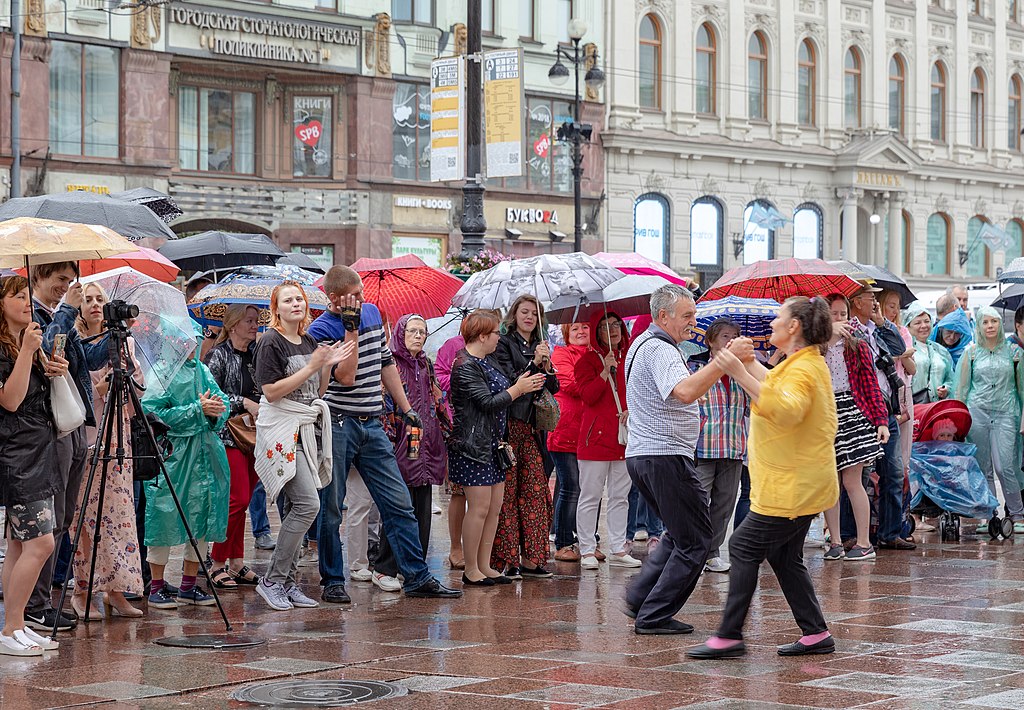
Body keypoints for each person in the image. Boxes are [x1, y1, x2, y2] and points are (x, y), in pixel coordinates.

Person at [688, 297, 839, 659]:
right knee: (785, 558)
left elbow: (785, 409)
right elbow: (775, 386)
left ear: (794, 327)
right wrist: (749, 362)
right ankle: (816, 633)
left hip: (792, 488)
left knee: (742, 547)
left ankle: (729, 635)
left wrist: (737, 370)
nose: (772, 324)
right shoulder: (800, 364)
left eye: (779, 318)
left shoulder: (805, 368)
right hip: (796, 485)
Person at [309, 265, 460, 602]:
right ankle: (333, 579)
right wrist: (350, 329)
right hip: (338, 422)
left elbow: (385, 363)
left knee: (399, 502)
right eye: (354, 296)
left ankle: (416, 575)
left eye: (362, 293)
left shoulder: (373, 313)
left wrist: (406, 409)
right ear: (334, 298)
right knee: (332, 508)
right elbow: (345, 378)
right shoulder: (319, 329)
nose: (361, 300)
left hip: (372, 421)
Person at [622, 285, 731, 635]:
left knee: (679, 533)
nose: (693, 322)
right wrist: (721, 364)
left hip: (647, 455)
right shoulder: (661, 350)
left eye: (694, 315)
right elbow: (684, 392)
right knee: (697, 539)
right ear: (663, 316)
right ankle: (653, 614)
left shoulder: (642, 344)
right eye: (687, 316)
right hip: (664, 456)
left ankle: (641, 598)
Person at [254, 282, 351, 611]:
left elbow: (317, 392)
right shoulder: (270, 341)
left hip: (307, 432)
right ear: (276, 308)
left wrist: (324, 366)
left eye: (299, 298)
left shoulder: (309, 340)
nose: (295, 303)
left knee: (301, 508)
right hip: (282, 431)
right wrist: (311, 366)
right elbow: (270, 391)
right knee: (309, 505)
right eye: (288, 300)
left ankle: (289, 582)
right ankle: (272, 579)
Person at [27, 262, 109, 632]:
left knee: (63, 517)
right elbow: (46, 353)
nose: (66, 287)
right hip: (47, 426)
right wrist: (67, 312)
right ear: (38, 277)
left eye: (69, 281)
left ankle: (41, 600)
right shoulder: (31, 314)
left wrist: (115, 334)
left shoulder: (58, 314)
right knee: (49, 517)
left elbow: (84, 360)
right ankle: (35, 602)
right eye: (60, 280)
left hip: (74, 421)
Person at [449, 310, 546, 586]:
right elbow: (488, 402)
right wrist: (519, 390)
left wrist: (534, 367)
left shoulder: (487, 360)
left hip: (494, 445)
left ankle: (484, 565)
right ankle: (471, 570)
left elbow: (511, 383)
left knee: (494, 507)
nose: (498, 338)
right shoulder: (464, 365)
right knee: (478, 508)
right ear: (481, 336)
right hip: (472, 446)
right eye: (495, 333)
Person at [141, 327, 231, 610]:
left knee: (203, 515)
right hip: (173, 455)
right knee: (163, 515)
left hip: (206, 451)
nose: (191, 344)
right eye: (185, 340)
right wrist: (196, 409)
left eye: (194, 339)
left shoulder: (202, 370)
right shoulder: (161, 373)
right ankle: (156, 587)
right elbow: (152, 412)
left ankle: (189, 586)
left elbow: (222, 400)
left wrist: (216, 410)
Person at [0, 274, 67, 655]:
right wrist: (27, 352)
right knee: (40, 543)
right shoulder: (8, 346)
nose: (28, 302)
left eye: (28, 295)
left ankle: (17, 623)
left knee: (18, 546)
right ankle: (9, 629)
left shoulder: (27, 340)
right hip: (17, 454)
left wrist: (50, 365)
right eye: (18, 296)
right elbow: (10, 399)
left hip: (37, 449)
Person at [71, 282, 144, 618]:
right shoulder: (73, 343)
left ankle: (116, 590)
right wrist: (99, 389)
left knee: (118, 515)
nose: (96, 304)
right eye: (88, 299)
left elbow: (140, 389)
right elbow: (68, 392)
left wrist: (126, 374)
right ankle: (82, 590)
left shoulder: (121, 340)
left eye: (101, 299)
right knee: (85, 518)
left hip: (118, 434)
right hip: (86, 435)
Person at [372, 315, 448, 585]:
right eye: (412, 331)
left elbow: (438, 400)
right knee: (397, 507)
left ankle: (414, 568)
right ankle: (385, 567)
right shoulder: (390, 363)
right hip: (401, 442)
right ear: (400, 333)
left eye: (422, 331)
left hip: (426, 444)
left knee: (422, 508)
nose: (418, 335)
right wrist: (391, 442)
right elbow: (384, 404)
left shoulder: (426, 364)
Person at [493, 295, 560, 579]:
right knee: (508, 494)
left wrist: (546, 365)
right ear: (515, 315)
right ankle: (509, 560)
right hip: (509, 425)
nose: (529, 317)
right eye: (524, 312)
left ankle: (534, 558)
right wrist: (533, 363)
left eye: (534, 313)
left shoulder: (542, 344)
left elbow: (553, 386)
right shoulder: (504, 344)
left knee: (535, 491)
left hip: (532, 428)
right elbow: (510, 382)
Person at [821, 295, 887, 562]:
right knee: (829, 483)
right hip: (824, 414)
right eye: (833, 314)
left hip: (852, 412)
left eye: (842, 313)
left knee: (852, 480)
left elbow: (871, 386)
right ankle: (834, 541)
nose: (839, 319)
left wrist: (881, 421)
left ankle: (863, 542)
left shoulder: (857, 346)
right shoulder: (815, 348)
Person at [847, 284, 913, 551]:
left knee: (894, 472)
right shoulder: (851, 331)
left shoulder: (878, 330)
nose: (875, 301)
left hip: (885, 406)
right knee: (858, 474)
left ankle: (890, 531)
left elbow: (900, 348)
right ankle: (851, 532)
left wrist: (881, 322)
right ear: (857, 302)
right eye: (869, 297)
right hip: (861, 406)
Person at [575, 311, 640, 570]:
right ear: (596, 332)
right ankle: (587, 549)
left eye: (615, 325)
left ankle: (617, 547)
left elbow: (639, 392)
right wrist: (604, 371)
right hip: (594, 439)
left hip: (623, 436)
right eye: (604, 326)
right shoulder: (587, 361)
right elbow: (588, 396)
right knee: (590, 496)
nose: (612, 329)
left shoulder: (631, 359)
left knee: (620, 496)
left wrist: (631, 411)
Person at [204, 304, 263, 590]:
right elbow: (210, 394)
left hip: (253, 435)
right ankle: (216, 563)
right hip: (228, 435)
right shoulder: (218, 355)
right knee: (235, 499)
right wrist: (243, 402)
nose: (255, 326)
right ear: (234, 324)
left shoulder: (255, 355)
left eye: (257, 321)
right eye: (250, 321)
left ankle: (237, 561)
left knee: (245, 500)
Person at [687, 319, 750, 574]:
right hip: (704, 445)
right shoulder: (696, 366)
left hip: (733, 444)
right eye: (725, 336)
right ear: (710, 340)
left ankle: (712, 553)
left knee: (724, 505)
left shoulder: (742, 369)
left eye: (735, 336)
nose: (730, 340)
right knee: (698, 502)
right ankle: (694, 552)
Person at [955, 307, 1024, 533]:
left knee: (1006, 465)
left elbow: (1022, 389)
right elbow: (963, 389)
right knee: (983, 466)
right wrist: (958, 417)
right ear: (979, 326)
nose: (990, 326)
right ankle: (989, 515)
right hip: (978, 413)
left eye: (994, 321)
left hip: (1006, 413)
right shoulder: (971, 352)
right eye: (985, 322)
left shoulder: (1014, 353)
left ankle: (1017, 513)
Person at [548, 321, 590, 563]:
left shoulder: (598, 354)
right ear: (566, 334)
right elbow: (572, 385)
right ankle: (563, 540)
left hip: (591, 431)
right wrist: (597, 377)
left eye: (584, 328)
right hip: (566, 429)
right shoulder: (561, 354)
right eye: (575, 329)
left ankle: (587, 538)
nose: (581, 332)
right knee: (571, 487)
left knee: (590, 489)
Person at [435, 333, 466, 569]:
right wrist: (462, 377)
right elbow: (439, 376)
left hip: (488, 425)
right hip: (457, 422)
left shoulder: (498, 347)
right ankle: (456, 547)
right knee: (459, 490)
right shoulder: (452, 345)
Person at [904, 305, 954, 404]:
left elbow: (950, 378)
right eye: (917, 322)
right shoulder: (905, 349)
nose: (924, 326)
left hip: (937, 407)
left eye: (927, 321)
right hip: (913, 407)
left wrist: (946, 388)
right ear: (907, 326)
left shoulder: (940, 350)